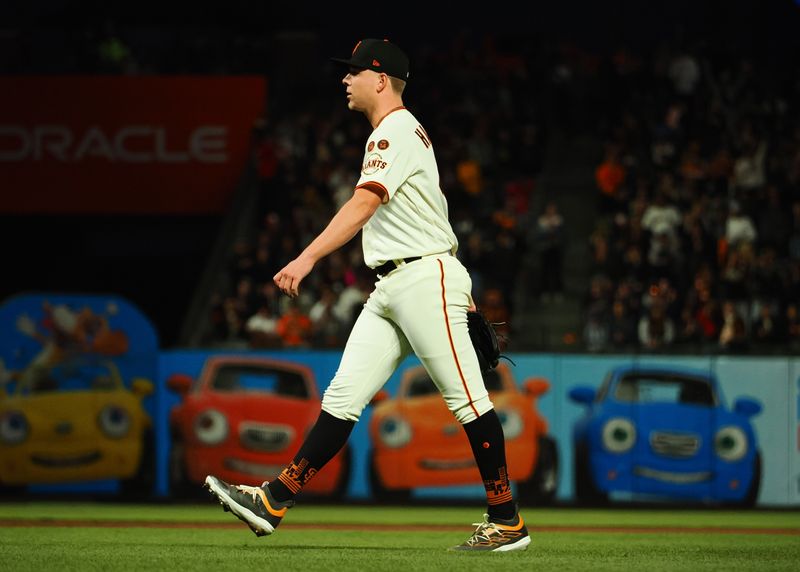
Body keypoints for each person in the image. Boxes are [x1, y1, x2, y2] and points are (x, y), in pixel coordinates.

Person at [204, 38, 530, 553]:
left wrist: (306, 257)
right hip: (395, 285)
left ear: (380, 80)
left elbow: (362, 204)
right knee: (342, 397)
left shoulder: (395, 130)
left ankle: (506, 518)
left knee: (467, 401)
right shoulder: (396, 133)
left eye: (354, 72)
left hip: (424, 278)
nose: (345, 79)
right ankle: (275, 498)